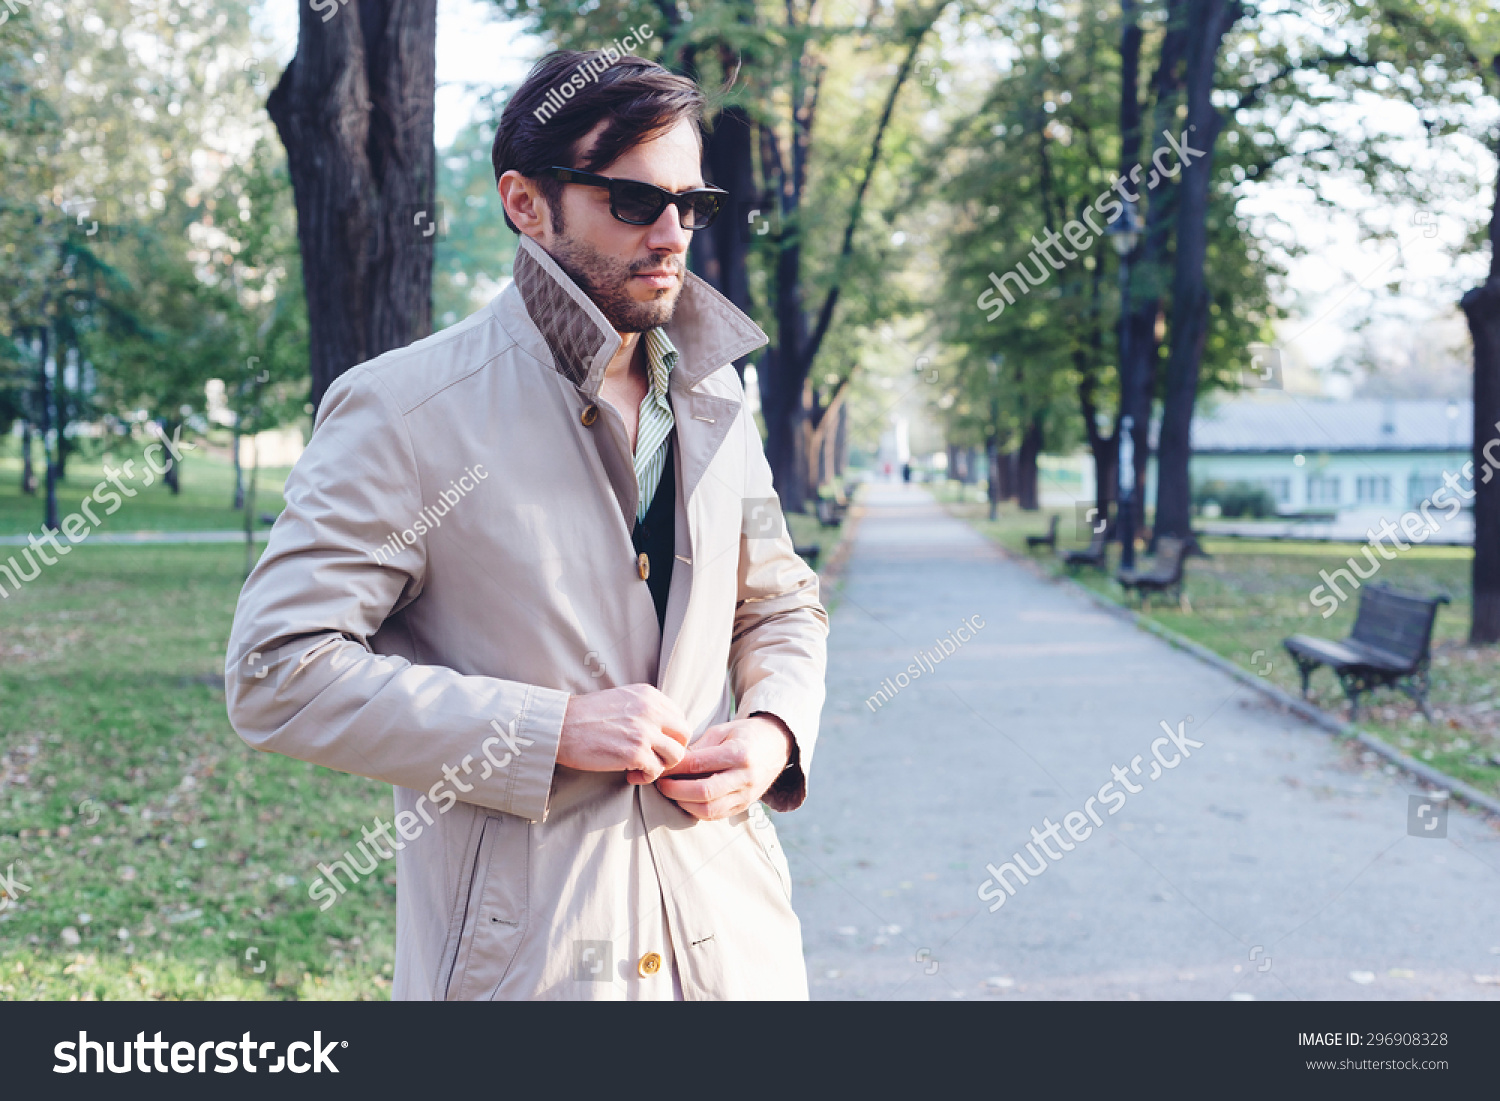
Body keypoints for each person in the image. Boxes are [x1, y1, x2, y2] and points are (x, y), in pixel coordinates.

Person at [223, 49, 828, 1000]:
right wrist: (548, 729)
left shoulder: (715, 392)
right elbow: (277, 670)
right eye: (634, 202)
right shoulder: (405, 409)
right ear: (526, 202)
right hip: (530, 969)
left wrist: (773, 731)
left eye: (693, 205)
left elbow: (780, 603)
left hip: (732, 952)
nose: (673, 233)